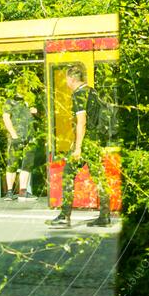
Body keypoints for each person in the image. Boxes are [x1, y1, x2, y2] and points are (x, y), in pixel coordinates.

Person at [46, 65, 112, 227]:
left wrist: (78, 148)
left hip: (86, 143)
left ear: (72, 79)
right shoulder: (93, 92)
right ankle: (105, 216)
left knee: (68, 174)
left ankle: (64, 216)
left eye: (67, 78)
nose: (66, 81)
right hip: (96, 141)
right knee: (99, 177)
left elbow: (81, 122)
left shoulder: (79, 95)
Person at [2, 92, 38, 200]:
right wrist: (13, 134)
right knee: (12, 164)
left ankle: (23, 191)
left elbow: (37, 115)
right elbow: (6, 118)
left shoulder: (29, 101)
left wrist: (35, 112)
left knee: (27, 165)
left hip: (30, 137)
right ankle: (9, 192)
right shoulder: (9, 102)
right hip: (16, 137)